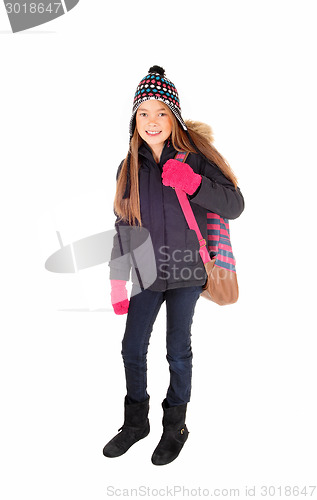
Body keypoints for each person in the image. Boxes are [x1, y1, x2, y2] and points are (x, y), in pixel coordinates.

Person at [103, 65, 244, 466]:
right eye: (144, 112)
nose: (152, 121)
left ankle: (175, 426)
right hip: (146, 273)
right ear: (134, 120)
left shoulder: (196, 160)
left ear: (174, 118)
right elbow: (123, 223)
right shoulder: (128, 166)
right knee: (132, 347)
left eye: (161, 112)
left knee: (177, 351)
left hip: (187, 270)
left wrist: (193, 183)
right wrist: (117, 279)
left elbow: (235, 205)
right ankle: (135, 424)